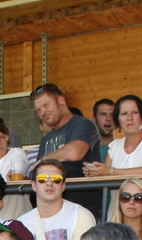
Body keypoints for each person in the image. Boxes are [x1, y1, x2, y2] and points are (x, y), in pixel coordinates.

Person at [30, 83, 102, 216]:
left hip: (83, 209)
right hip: (52, 210)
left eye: (46, 105)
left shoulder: (83, 124)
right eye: (39, 110)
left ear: (61, 101)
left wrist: (45, 159)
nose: (43, 112)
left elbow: (75, 152)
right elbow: (38, 171)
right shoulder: (46, 139)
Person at [85, 94, 142, 179]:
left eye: (135, 112)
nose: (129, 118)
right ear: (117, 120)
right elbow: (106, 177)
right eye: (124, 114)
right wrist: (94, 172)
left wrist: (111, 172)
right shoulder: (114, 146)